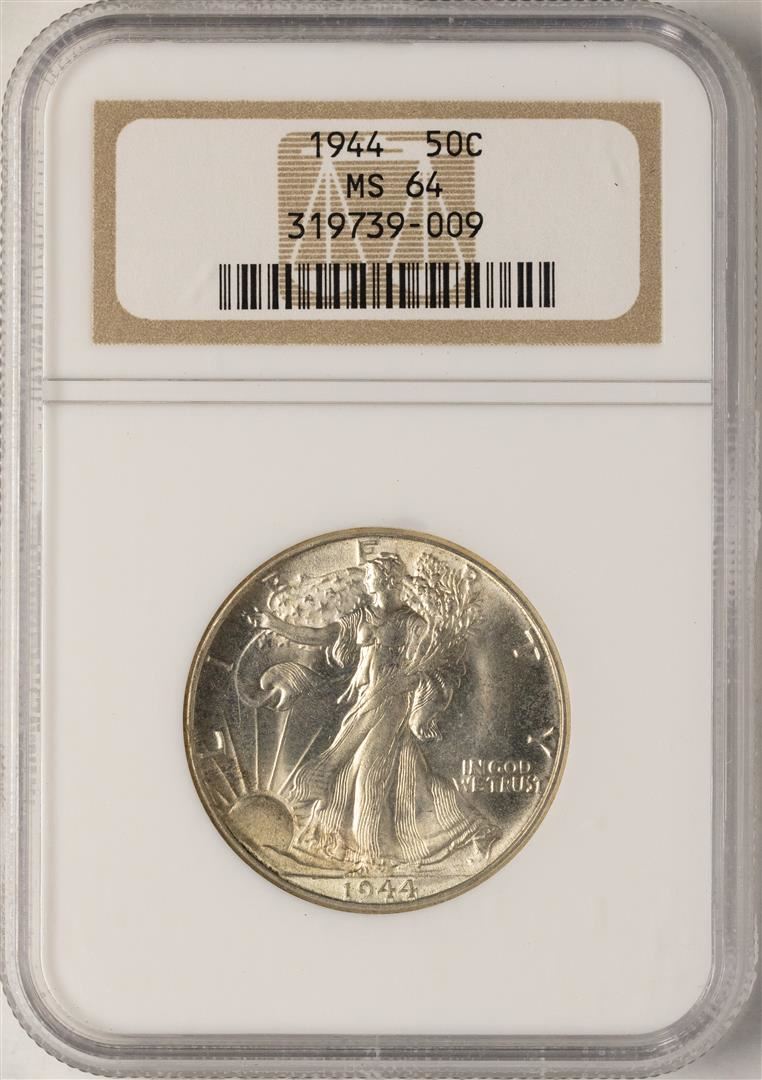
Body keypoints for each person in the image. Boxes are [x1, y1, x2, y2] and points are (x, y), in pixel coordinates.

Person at [253, 553, 498, 873]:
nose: (365, 581)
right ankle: (472, 830)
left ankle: (372, 854)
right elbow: (321, 635)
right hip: (366, 701)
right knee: (392, 775)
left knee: (368, 774)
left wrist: (412, 694)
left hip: (392, 704)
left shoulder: (414, 624)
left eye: (369, 576)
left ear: (386, 580)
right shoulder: (361, 616)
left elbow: (431, 670)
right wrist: (277, 624)